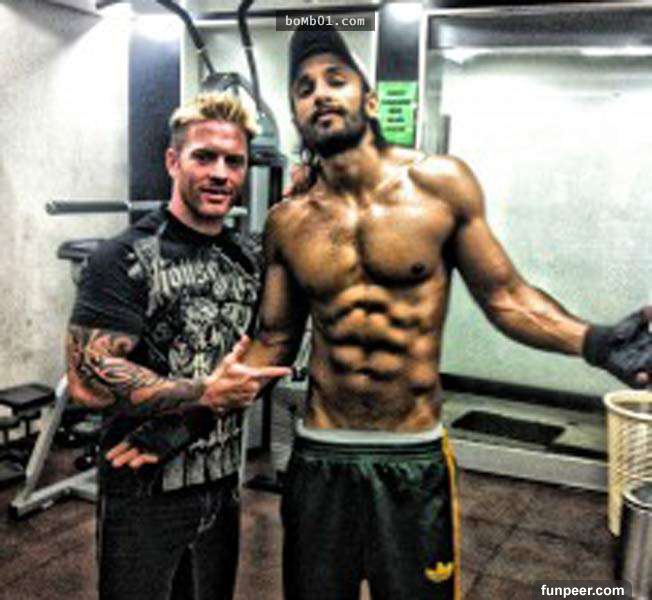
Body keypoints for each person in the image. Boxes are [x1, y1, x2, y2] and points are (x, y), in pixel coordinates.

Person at [109, 27, 652, 600]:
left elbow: (506, 297)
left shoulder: (441, 185)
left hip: (411, 455)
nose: (320, 93)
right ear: (296, 117)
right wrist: (190, 419)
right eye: (304, 88)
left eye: (335, 80)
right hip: (321, 456)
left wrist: (596, 342)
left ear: (369, 100)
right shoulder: (288, 221)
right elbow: (274, 341)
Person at [65, 91, 291, 600]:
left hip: (221, 487)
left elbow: (260, 351)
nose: (221, 174)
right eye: (204, 157)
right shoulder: (124, 257)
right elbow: (86, 379)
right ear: (173, 161)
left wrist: (192, 420)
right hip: (143, 494)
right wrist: (203, 394)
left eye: (234, 161)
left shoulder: (247, 258)